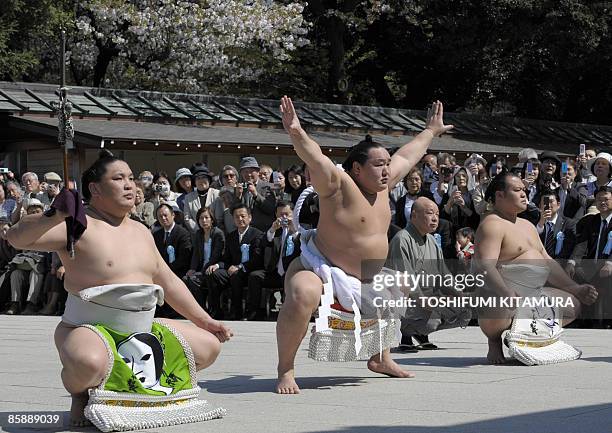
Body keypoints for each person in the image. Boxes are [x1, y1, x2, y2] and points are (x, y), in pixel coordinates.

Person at [5, 151, 232, 426]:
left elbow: (169, 281)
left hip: (141, 330)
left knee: (208, 346)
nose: (129, 185)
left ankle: (122, 389)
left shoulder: (141, 231)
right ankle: (81, 392)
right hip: (88, 330)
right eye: (118, 178)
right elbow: (17, 238)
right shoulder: (77, 226)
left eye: (131, 178)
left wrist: (204, 320)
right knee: (89, 363)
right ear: (95, 189)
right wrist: (54, 214)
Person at [276, 96, 453, 394]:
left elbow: (408, 156)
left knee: (399, 284)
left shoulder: (385, 185)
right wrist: (295, 130)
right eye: (378, 164)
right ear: (357, 169)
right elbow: (315, 157)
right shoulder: (337, 185)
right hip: (320, 266)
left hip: (368, 274)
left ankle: (380, 358)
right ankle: (286, 369)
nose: (386, 170)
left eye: (387, 163)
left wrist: (430, 132)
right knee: (303, 292)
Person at [474, 172, 597, 364]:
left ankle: (531, 336)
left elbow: (547, 261)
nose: (524, 194)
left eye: (524, 190)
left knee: (572, 305)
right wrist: (504, 291)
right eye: (517, 190)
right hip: (504, 296)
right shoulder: (491, 224)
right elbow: (484, 265)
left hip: (534, 295)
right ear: (499, 195)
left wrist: (575, 288)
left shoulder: (528, 226)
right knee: (500, 305)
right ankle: (494, 340)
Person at [387, 197, 471, 352]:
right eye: (430, 213)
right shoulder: (402, 240)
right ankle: (406, 333)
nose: (435, 218)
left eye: (437, 214)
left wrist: (460, 294)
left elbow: (444, 275)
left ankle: (421, 334)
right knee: (433, 319)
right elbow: (405, 281)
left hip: (428, 299)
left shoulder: (432, 240)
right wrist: (425, 301)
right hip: (406, 301)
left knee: (465, 311)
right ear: (414, 215)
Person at [207, 203, 265, 320]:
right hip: (234, 270)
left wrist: (240, 266)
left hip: (250, 270)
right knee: (213, 274)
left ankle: (238, 311)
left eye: (243, 216)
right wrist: (217, 265)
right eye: (236, 217)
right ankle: (216, 310)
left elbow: (257, 259)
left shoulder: (257, 234)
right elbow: (226, 259)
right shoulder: (231, 236)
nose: (240, 219)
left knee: (236, 275)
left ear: (249, 217)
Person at [247, 201, 301, 321]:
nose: (284, 218)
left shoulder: (299, 231)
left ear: (293, 214)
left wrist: (294, 231)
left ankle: (291, 314)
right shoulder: (274, 231)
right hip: (274, 272)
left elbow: (301, 248)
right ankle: (255, 312)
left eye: (287, 214)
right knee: (254, 276)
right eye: (280, 215)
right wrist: (272, 230)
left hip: (291, 273)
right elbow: (264, 243)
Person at [184, 207, 225, 309]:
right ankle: (194, 309)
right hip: (201, 269)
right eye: (201, 218)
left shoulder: (218, 233)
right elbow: (196, 255)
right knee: (185, 278)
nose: (204, 221)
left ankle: (202, 309)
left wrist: (202, 271)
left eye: (206, 217)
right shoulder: (199, 234)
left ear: (212, 219)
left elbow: (216, 256)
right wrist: (192, 268)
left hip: (212, 267)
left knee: (194, 279)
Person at [183, 165, 219, 233]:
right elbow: (187, 218)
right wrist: (199, 230)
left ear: (209, 179)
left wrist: (210, 230)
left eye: (204, 177)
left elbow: (219, 217)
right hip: (196, 234)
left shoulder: (217, 194)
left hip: (215, 233)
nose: (201, 180)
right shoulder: (188, 197)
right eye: (198, 178)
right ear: (195, 182)